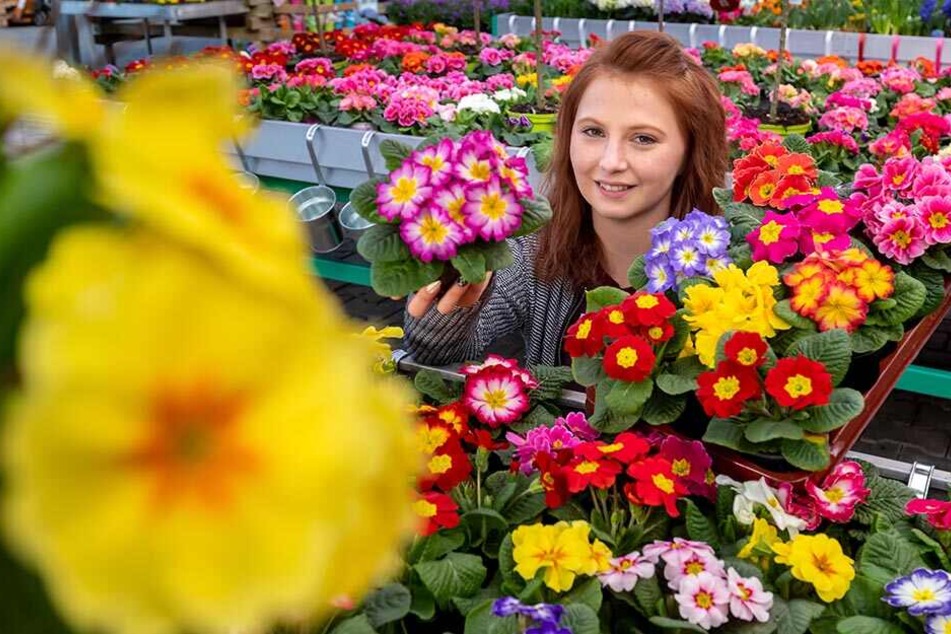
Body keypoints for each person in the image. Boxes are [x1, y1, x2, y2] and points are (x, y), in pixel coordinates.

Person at [403, 30, 728, 367]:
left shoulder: (728, 271)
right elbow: (439, 353)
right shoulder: (535, 255)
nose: (610, 161)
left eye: (643, 138)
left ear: (690, 153)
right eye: (593, 132)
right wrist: (443, 304)